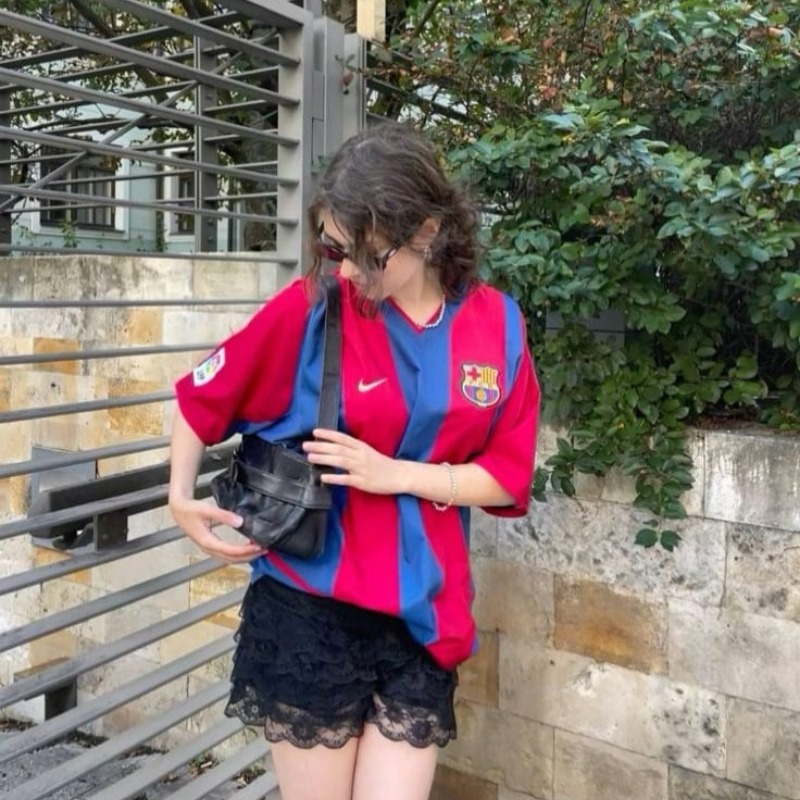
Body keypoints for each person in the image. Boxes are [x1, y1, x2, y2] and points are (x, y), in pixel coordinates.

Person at [168, 121, 540, 800]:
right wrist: (179, 495)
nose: (346, 270)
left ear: (426, 233)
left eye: (365, 254)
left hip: (424, 615)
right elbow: (202, 396)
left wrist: (392, 474)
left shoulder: (498, 325)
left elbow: (507, 476)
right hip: (310, 610)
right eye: (333, 247)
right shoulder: (313, 309)